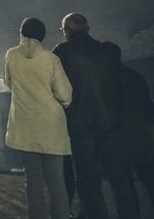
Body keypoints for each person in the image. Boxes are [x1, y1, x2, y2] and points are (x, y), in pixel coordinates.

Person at [53, 13, 140, 219]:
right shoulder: (109, 51)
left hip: (79, 126)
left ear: (66, 31)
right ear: (88, 28)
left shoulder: (61, 53)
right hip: (112, 123)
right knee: (121, 178)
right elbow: (121, 87)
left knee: (87, 179)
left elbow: (57, 91)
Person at [4, 17, 73, 219]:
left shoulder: (11, 55)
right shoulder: (51, 59)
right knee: (56, 180)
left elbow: (9, 82)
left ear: (22, 33)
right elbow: (64, 94)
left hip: (25, 123)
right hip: (51, 124)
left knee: (33, 181)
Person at [106, 41, 154, 209]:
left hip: (118, 139)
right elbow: (149, 108)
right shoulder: (135, 77)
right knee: (149, 180)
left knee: (124, 188)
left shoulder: (104, 83)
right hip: (142, 138)